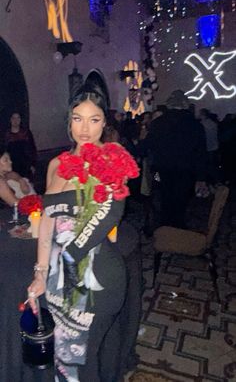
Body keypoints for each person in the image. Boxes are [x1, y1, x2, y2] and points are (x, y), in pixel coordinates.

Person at [27, 78, 138, 381]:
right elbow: (48, 219)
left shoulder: (112, 160)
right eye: (78, 118)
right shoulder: (56, 164)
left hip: (97, 279)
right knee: (66, 361)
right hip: (57, 280)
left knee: (80, 364)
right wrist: (40, 271)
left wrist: (66, 260)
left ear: (105, 123)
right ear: (69, 121)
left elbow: (109, 217)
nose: (85, 128)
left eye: (94, 119)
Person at [144, 90, 207, 229]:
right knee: (181, 201)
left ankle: (164, 228)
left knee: (163, 197)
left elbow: (147, 146)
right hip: (186, 171)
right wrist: (201, 177)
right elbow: (201, 153)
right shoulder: (195, 125)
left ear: (169, 104)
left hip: (160, 170)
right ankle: (177, 229)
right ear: (185, 104)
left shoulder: (158, 123)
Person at [4, 112, 37, 179]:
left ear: (20, 120)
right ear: (10, 120)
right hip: (12, 166)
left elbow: (33, 149)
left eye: (18, 118)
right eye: (13, 118)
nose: (15, 120)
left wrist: (33, 164)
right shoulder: (6, 134)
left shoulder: (26, 133)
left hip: (25, 165)